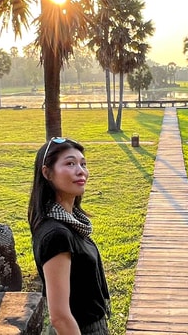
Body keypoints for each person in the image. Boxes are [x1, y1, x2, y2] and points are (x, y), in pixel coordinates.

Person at [28, 137, 110, 335]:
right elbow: (60, 317)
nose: (81, 171)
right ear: (47, 172)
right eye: (70, 163)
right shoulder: (57, 234)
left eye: (83, 164)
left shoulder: (71, 222)